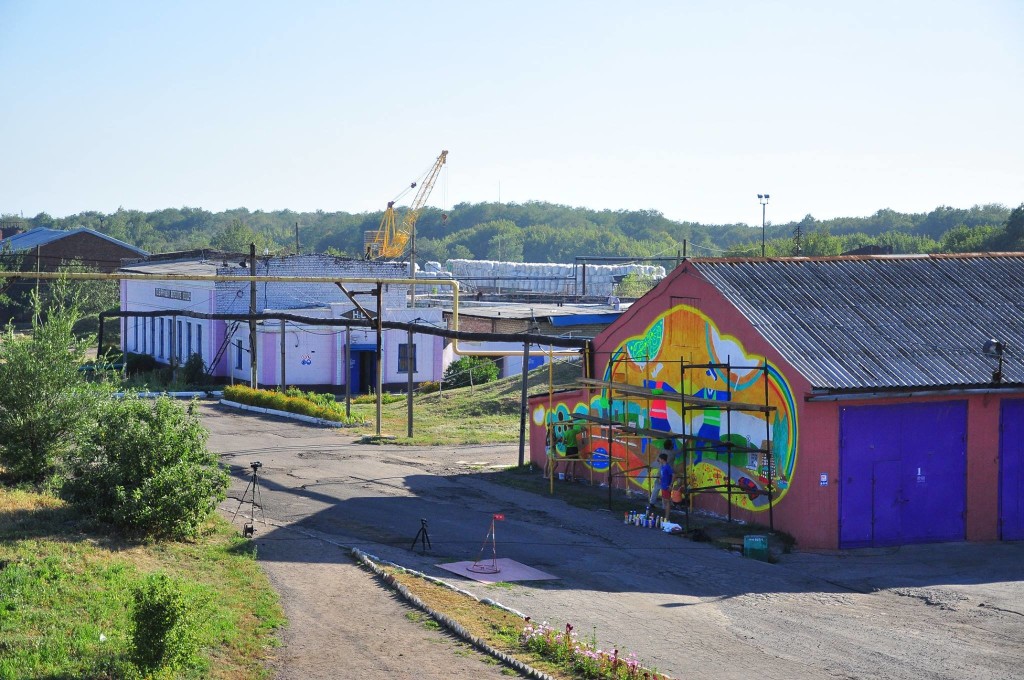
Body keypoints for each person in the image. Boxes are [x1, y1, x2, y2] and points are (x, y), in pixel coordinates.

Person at [657, 452, 674, 520]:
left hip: (667, 486)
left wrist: (670, 485)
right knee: (664, 501)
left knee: (667, 501)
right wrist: (660, 479)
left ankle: (667, 517)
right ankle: (666, 516)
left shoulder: (667, 467)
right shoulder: (662, 466)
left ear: (662, 459)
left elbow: (674, 475)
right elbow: (664, 475)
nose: (658, 460)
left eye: (659, 459)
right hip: (663, 486)